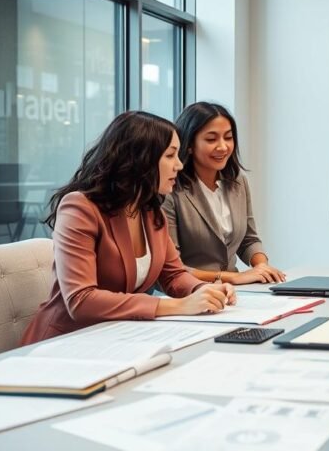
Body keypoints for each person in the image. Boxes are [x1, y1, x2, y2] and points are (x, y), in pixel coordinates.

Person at [21, 111, 236, 345]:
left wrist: (203, 291)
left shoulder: (150, 211)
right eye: (171, 155)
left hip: (118, 337)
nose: (180, 165)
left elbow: (173, 275)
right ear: (140, 160)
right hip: (65, 343)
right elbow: (81, 300)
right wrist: (175, 305)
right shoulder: (80, 208)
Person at [161, 102, 286, 285]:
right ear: (188, 144)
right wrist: (232, 277)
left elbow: (249, 240)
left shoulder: (237, 181)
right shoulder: (171, 189)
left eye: (228, 137)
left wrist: (261, 268)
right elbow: (173, 268)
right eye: (211, 139)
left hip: (235, 293)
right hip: (188, 293)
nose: (223, 147)